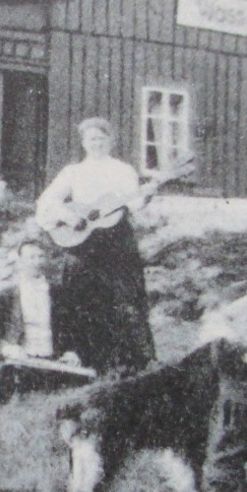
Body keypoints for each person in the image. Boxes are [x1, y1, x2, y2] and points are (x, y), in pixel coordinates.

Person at [56, 285, 247, 492]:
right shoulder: (217, 354)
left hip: (108, 407)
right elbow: (170, 380)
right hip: (111, 410)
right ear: (234, 322)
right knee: (94, 484)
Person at [34, 118, 156, 375]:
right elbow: (47, 201)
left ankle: (130, 362)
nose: (97, 143)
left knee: (125, 295)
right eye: (92, 139)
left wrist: (146, 195)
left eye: (101, 138)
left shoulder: (123, 170)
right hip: (84, 242)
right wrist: (71, 218)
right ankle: (83, 358)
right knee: (81, 294)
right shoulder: (73, 172)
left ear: (110, 141)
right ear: (84, 143)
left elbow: (134, 204)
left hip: (117, 241)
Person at [0, 238, 87, 400]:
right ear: (20, 261)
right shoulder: (6, 296)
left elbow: (75, 330)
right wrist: (7, 349)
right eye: (31, 257)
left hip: (54, 362)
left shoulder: (60, 294)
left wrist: (72, 352)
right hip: (21, 363)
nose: (36, 262)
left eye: (40, 256)